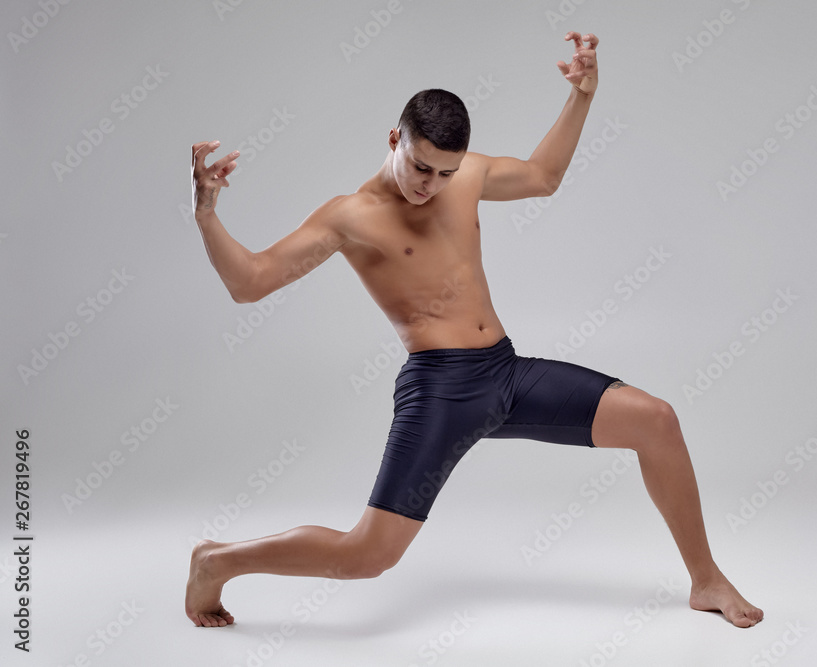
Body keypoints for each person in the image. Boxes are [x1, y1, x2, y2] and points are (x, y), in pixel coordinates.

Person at [185, 31, 763, 630]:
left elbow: (543, 175)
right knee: (368, 556)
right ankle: (218, 561)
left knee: (658, 421)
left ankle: (706, 581)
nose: (428, 183)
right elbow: (249, 282)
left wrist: (582, 97)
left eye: (444, 171)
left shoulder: (467, 177)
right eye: (419, 165)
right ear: (394, 139)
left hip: (505, 372)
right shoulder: (349, 217)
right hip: (439, 390)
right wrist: (207, 213)